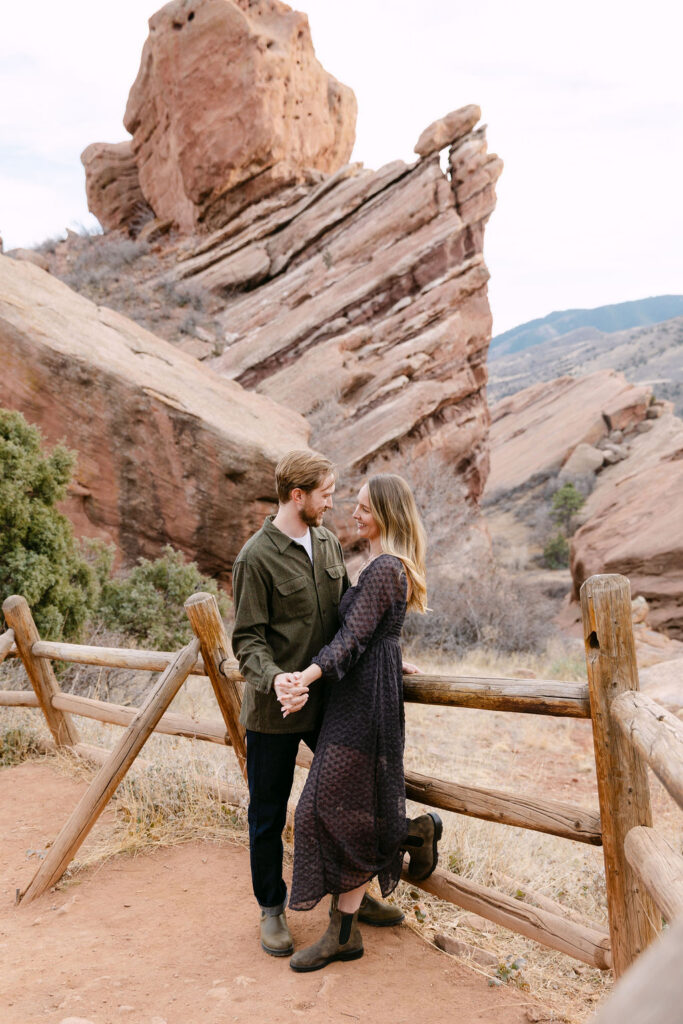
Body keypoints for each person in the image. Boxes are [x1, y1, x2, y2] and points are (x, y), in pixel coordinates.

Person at [231, 451, 407, 959]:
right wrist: (277, 680)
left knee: (350, 798)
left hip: (331, 704)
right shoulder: (254, 558)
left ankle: (354, 893)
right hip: (275, 711)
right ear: (297, 495)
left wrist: (391, 655)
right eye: (327, 493)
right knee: (267, 813)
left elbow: (354, 619)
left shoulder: (327, 542)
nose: (333, 502)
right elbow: (247, 641)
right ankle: (271, 909)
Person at [279, 473, 442, 973]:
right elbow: (375, 633)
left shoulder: (386, 568)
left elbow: (352, 639)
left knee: (318, 810)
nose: (355, 513)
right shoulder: (380, 567)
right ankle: (412, 832)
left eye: (367, 508)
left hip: (365, 703)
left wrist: (303, 677)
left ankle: (343, 934)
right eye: (356, 505)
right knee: (348, 807)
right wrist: (393, 655)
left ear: (388, 515)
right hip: (362, 693)